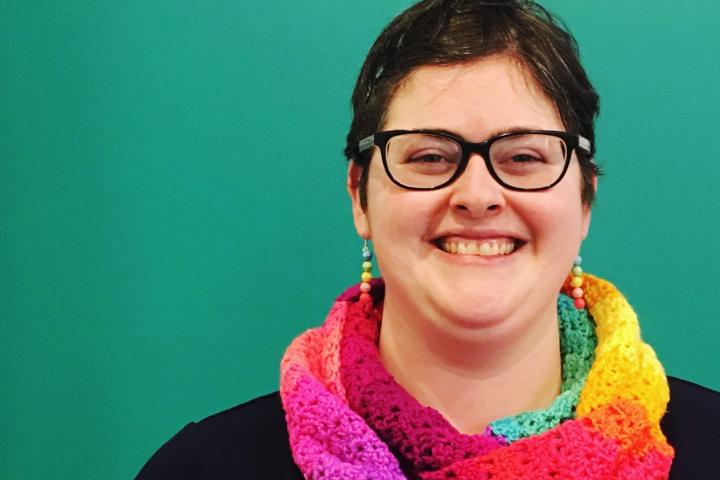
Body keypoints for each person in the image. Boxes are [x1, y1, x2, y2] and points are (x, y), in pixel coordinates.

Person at [137, 1, 720, 478]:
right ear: (359, 195)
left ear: (584, 199)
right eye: (429, 156)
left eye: (522, 157)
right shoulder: (204, 468)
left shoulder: (709, 448)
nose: (477, 194)